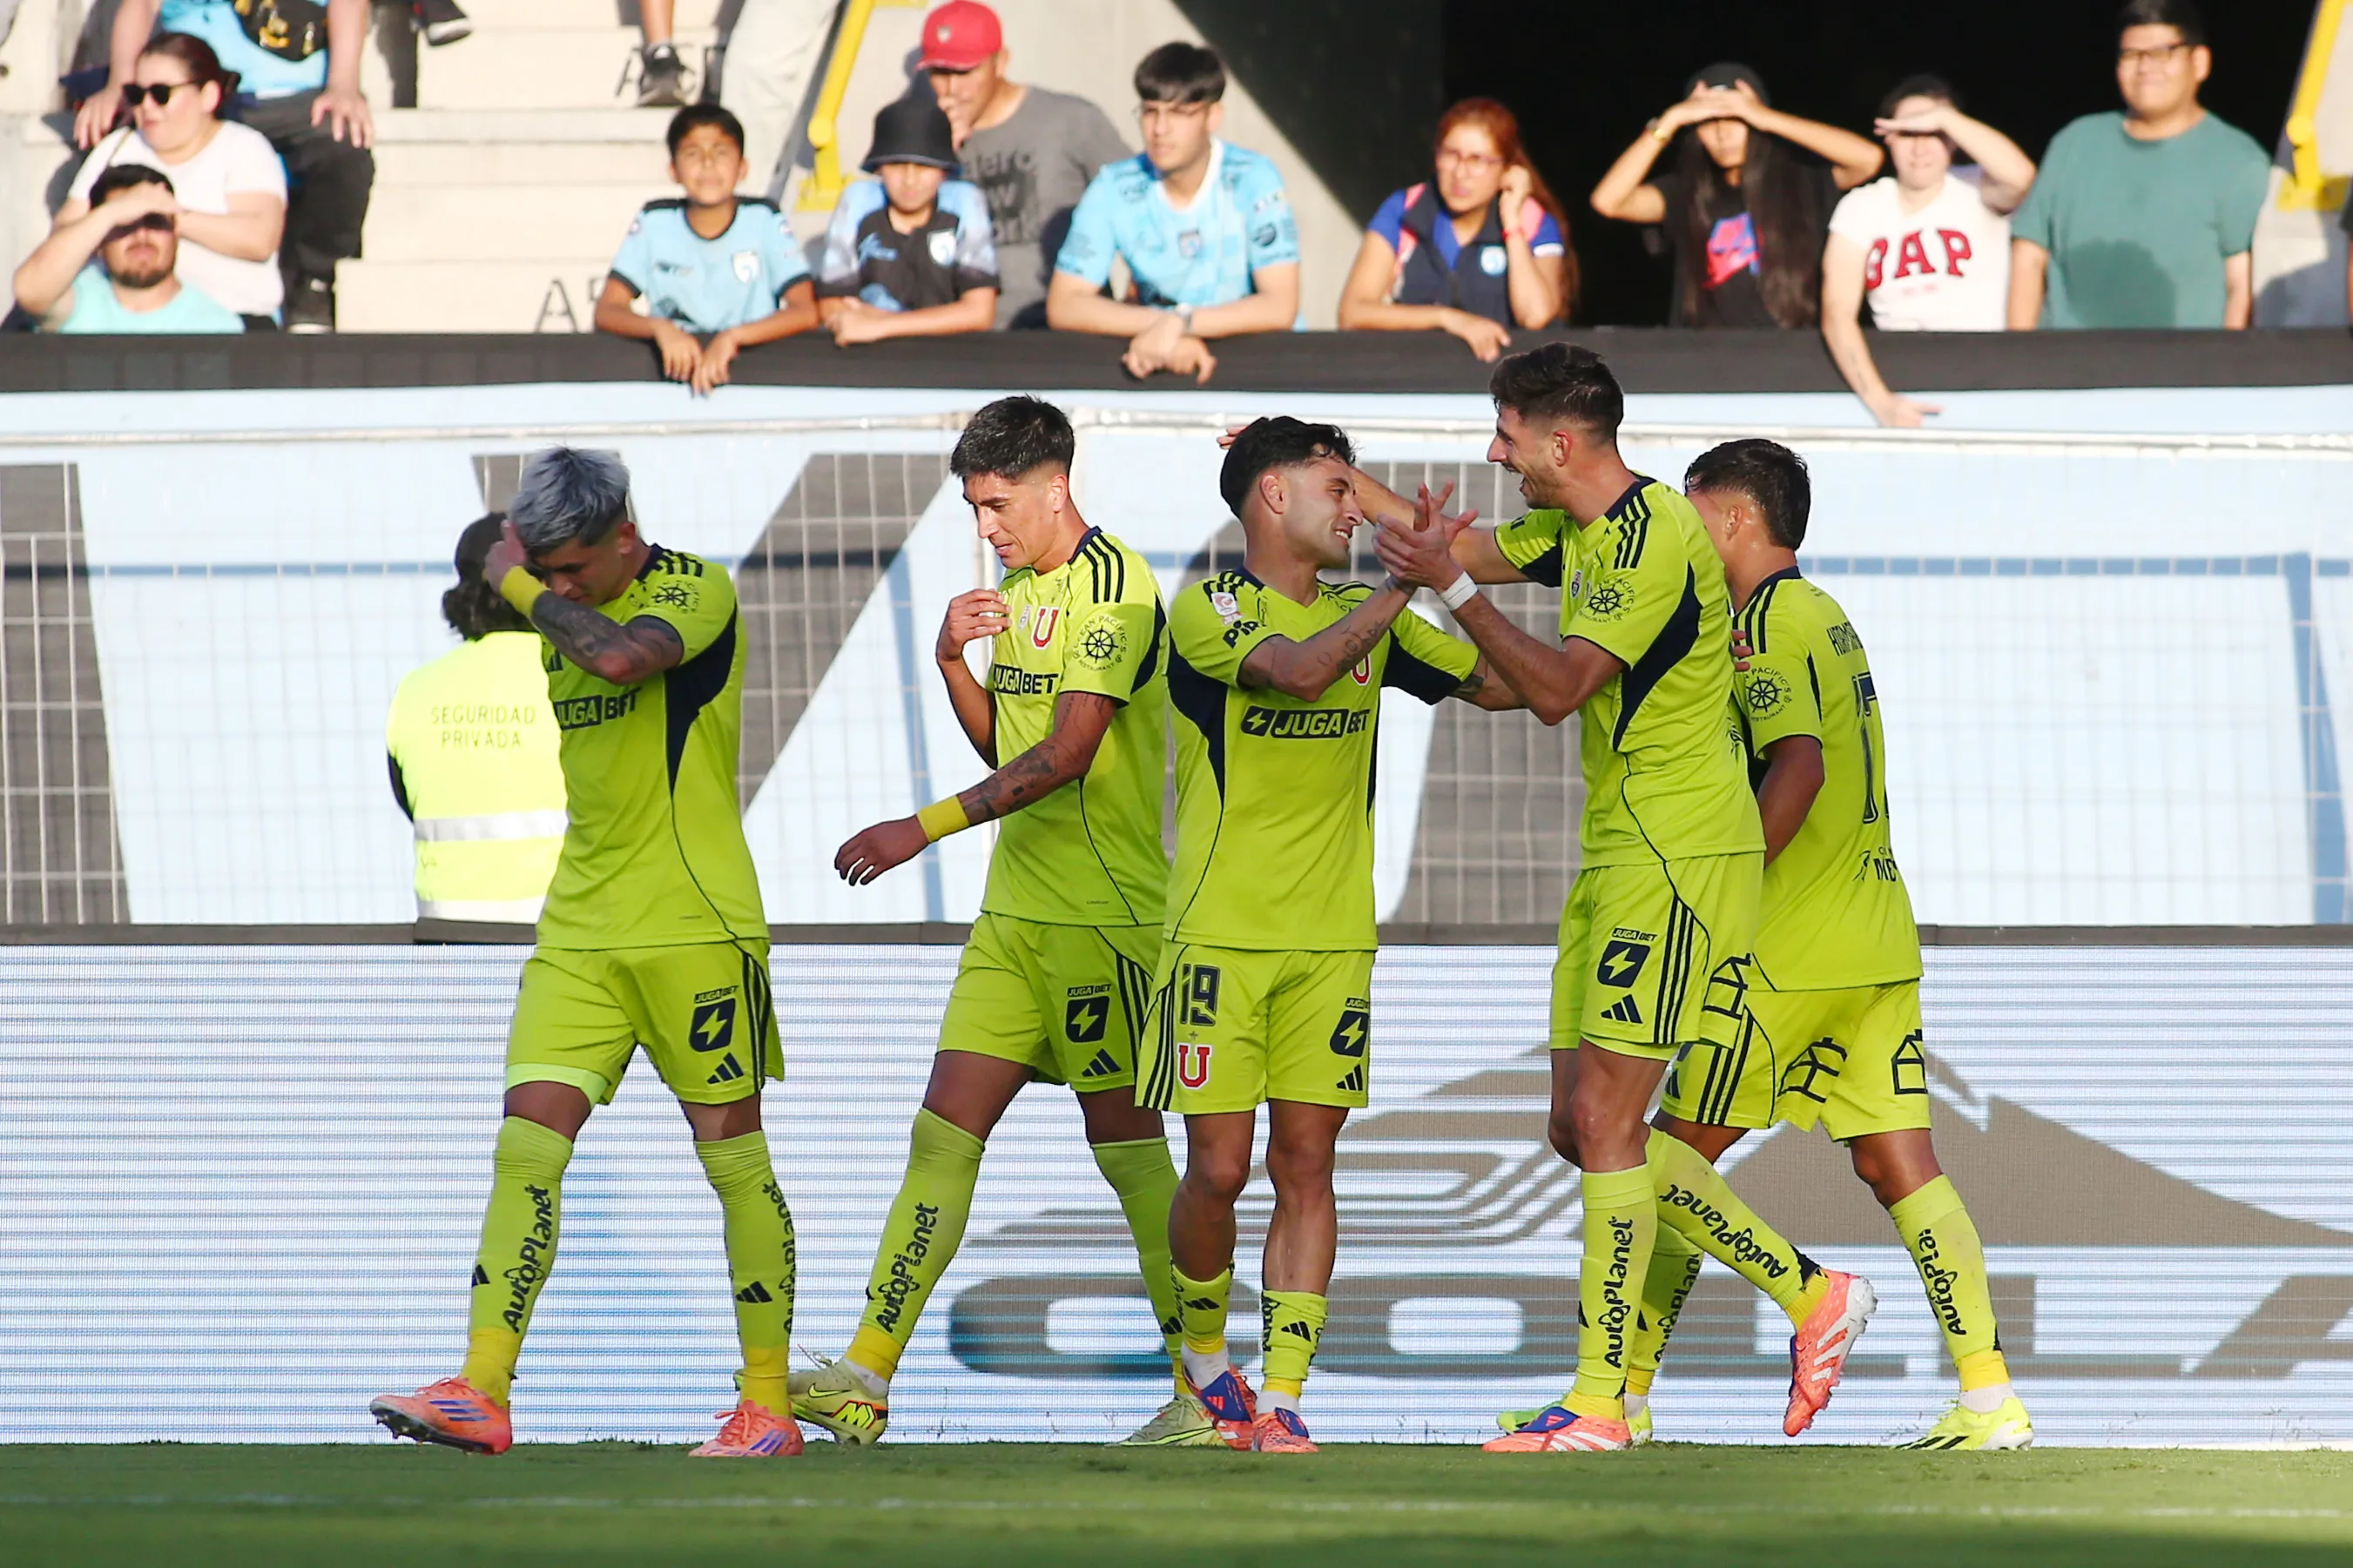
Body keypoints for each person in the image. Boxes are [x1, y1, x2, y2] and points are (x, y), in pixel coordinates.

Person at [1370, 345, 1876, 1455]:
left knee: (1606, 1123)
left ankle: (1602, 1400)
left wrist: (1445, 590)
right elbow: (1449, 543)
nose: (1491, 453)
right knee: (1576, 1126)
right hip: (1614, 857)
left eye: (1504, 435)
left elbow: (1553, 692)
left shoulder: (1654, 539)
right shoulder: (1578, 527)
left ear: (1558, 443)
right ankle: (1805, 1290)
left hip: (1677, 859)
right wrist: (1325, 474)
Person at [369, 448, 803, 1460]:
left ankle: (769, 1405)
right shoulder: (559, 598)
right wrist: (528, 585)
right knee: (526, 1145)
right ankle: (482, 1386)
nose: (559, 593)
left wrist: (515, 578)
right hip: (578, 930)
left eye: (575, 572)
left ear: (623, 536)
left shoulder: (693, 585)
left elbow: (618, 656)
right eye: (548, 575)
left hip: (696, 927)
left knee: (734, 1160)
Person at [787, 397, 1195, 1448]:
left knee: (1130, 1154)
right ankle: (864, 1376)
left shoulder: (1116, 589)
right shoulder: (1012, 591)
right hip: (1013, 921)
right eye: (973, 506)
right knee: (940, 1135)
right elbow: (1005, 755)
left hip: (1104, 924)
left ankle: (1205, 1390)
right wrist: (950, 665)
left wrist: (915, 830)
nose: (984, 527)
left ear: (1055, 484)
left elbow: (1063, 761)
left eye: (996, 503)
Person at [1628, 438, 2033, 1452]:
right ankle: (1989, 1396)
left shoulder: (1762, 622)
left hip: (1784, 945)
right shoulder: (1828, 616)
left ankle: (1740, 1334)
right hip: (1874, 941)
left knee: (1656, 1156)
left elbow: (1796, 770)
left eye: (1690, 516)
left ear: (1728, 520)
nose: (1682, 537)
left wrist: (1721, 887)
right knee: (1903, 1167)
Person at [1141, 418, 1520, 1455]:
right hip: (1219, 939)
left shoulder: (1373, 613)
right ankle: (1209, 1365)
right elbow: (1302, 673)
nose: (1354, 509)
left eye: (1356, 492)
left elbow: (1511, 687)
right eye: (1335, 488)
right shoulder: (1211, 604)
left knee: (1306, 1165)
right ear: (1272, 497)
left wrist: (1458, 588)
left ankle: (1286, 1394)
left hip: (1333, 944)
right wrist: (1408, 584)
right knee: (1216, 1170)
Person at [72, 0, 374, 332]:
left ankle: (312, 282)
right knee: (117, 140)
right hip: (189, 92)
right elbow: (140, 5)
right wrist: (121, 86)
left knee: (344, 145)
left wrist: (343, 84)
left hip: (292, 90)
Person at [2007, 0, 2268, 330]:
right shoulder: (2074, 144)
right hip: (2067, 369)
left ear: (2199, 62)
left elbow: (2241, 286)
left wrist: (2227, 374)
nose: (2145, 68)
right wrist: (2019, 359)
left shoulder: (2240, 161)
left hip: (2182, 373)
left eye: (2162, 53)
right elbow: (2028, 255)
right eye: (2131, 55)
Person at [1047, 43, 1299, 382]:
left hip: (1262, 369)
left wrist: (1180, 323)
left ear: (1213, 117)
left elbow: (1280, 305)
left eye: (1179, 113)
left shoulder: (1253, 177)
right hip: (1154, 363)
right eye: (1150, 111)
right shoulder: (1113, 186)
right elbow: (1064, 304)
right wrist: (1166, 329)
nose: (1160, 129)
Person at [1590, 64, 1881, 328]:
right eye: (1708, 122)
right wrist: (1670, 120)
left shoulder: (1802, 177)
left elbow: (1868, 159)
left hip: (1796, 350)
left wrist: (1765, 117)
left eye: (1734, 119)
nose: (1722, 133)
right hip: (1708, 358)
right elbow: (1608, 202)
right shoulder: (1685, 191)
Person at [1822, 77, 2037, 427]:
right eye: (1908, 134)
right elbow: (1837, 311)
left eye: (1933, 134)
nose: (1920, 148)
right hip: (1901, 373)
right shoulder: (1862, 205)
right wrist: (1881, 403)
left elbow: (2022, 177)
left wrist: (1946, 118)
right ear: (1889, 138)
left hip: (1985, 373)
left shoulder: (1977, 186)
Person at [385, 514, 565, 926]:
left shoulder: (416, 690)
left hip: (450, 937)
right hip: (565, 933)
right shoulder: (577, 678)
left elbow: (408, 798)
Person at [920, 0, 1130, 329]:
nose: (952, 89)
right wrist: (935, 156)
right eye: (939, 73)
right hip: (965, 337)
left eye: (964, 72)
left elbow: (1145, 205)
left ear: (1000, 62)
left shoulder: (1070, 120)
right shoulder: (918, 138)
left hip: (1064, 332)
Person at [58, 34, 286, 327]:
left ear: (208, 96)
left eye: (161, 93)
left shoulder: (242, 147)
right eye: (136, 95)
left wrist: (159, 215)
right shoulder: (118, 147)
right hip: (128, 321)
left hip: (233, 321)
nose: (147, 107)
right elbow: (65, 231)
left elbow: (259, 239)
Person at [595, 104, 819, 396]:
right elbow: (607, 310)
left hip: (753, 375)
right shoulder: (655, 220)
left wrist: (733, 337)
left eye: (721, 152)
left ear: (743, 168)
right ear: (673, 170)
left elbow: (805, 311)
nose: (708, 164)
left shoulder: (763, 218)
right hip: (674, 376)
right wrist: (660, 329)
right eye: (692, 153)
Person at [1338, 98, 1574, 360]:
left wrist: (1512, 225)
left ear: (1506, 169)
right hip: (1421, 379)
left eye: (1478, 160)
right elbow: (1353, 313)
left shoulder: (1533, 221)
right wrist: (1449, 320)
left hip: (1510, 385)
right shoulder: (1403, 210)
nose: (1461, 173)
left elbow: (1535, 316)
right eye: (1451, 155)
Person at [813, 98, 998, 345]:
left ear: (944, 171)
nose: (910, 180)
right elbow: (831, 303)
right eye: (898, 165)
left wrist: (882, 324)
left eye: (924, 166)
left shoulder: (964, 202)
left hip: (951, 357)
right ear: (879, 168)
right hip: (870, 357)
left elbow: (980, 312)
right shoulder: (858, 201)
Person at [13, 164, 245, 333]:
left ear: (175, 231)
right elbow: (29, 291)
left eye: (154, 221)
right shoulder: (77, 299)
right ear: (99, 238)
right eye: (124, 224)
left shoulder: (215, 325)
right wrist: (111, 213)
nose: (141, 236)